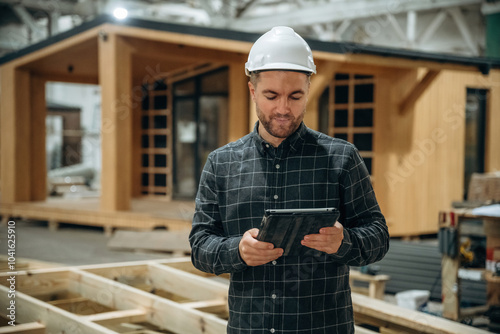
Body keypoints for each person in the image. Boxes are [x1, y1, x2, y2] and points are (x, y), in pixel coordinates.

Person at [189, 26, 389, 333]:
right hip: (250, 326)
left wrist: (344, 242)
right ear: (253, 90)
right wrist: (237, 251)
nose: (284, 109)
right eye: (271, 95)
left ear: (308, 88)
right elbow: (200, 246)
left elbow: (378, 237)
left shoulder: (342, 158)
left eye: (295, 96)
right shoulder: (222, 163)